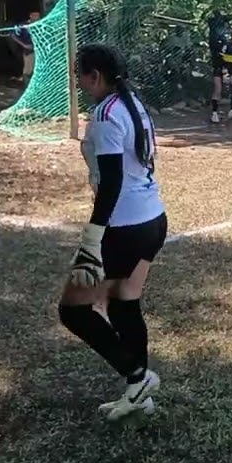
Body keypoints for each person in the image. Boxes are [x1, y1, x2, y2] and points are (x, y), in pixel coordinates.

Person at [60, 43, 166, 422]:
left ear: (95, 76)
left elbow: (112, 182)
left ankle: (137, 378)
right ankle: (138, 396)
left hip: (125, 226)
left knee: (72, 310)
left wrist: (92, 238)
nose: (81, 85)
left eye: (81, 78)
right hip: (153, 219)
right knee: (123, 303)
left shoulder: (105, 113)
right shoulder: (133, 103)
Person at [210, 28, 232, 124]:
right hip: (220, 69)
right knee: (218, 90)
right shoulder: (227, 46)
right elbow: (219, 58)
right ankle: (214, 113)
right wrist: (224, 70)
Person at [12, 10, 40, 82]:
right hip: (29, 51)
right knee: (28, 72)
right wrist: (24, 45)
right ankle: (26, 87)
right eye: (35, 15)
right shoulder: (22, 25)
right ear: (30, 15)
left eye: (38, 15)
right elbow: (13, 35)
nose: (37, 17)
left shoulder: (41, 24)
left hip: (41, 51)